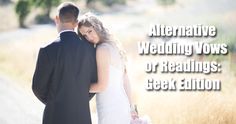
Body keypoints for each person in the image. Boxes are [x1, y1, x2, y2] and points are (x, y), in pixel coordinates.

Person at [32, 2, 97, 124]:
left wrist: (54, 102)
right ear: (76, 23)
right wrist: (79, 100)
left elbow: (37, 87)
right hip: (81, 116)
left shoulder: (47, 50)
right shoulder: (90, 49)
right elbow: (95, 82)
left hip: (54, 116)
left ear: (57, 19)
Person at [78, 12, 137, 124]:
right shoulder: (114, 46)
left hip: (110, 107)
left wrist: (78, 87)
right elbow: (125, 80)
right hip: (122, 104)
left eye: (90, 31)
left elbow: (101, 86)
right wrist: (131, 107)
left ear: (98, 26)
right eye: (84, 35)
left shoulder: (102, 49)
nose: (89, 37)